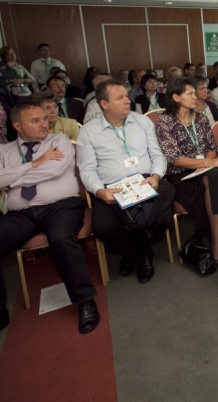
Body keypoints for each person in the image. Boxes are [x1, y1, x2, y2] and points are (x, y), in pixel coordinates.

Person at [0, 103, 99, 347]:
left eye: (44, 118)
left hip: (60, 206)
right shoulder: (1, 151)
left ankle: (85, 301)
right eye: (35, 121)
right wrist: (34, 164)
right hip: (20, 213)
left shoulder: (58, 141)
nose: (44, 123)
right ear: (17, 126)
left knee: (61, 239)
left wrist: (11, 178)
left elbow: (54, 170)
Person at [77, 79, 175, 283]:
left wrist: (156, 176)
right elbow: (87, 169)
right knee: (104, 227)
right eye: (119, 98)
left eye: (127, 96)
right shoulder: (88, 131)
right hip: (113, 187)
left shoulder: (142, 121)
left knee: (164, 218)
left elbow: (157, 155)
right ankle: (140, 256)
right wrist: (99, 191)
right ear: (104, 104)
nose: (127, 101)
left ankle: (130, 253)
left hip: (145, 181)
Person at [156, 77, 218, 273]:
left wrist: (206, 165)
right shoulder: (165, 122)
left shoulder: (201, 117)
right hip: (180, 176)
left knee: (213, 178)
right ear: (176, 97)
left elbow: (212, 147)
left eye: (195, 93)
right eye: (190, 94)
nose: (195, 97)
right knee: (216, 179)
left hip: (205, 170)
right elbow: (175, 158)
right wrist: (206, 163)